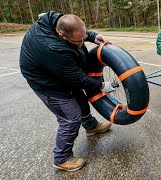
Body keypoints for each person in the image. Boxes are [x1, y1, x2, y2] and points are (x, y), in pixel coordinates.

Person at [19, 11, 115, 171]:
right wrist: (102, 86)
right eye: (78, 41)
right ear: (62, 35)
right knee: (70, 118)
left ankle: (91, 127)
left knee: (80, 98)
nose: (80, 43)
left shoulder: (54, 18)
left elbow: (78, 33)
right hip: (46, 83)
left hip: (55, 69)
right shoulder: (53, 49)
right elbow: (78, 79)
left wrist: (93, 36)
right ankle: (62, 157)